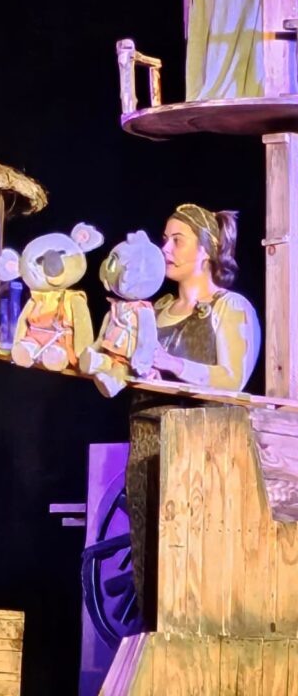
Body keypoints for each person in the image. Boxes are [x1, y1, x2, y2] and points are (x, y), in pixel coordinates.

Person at [126, 203, 260, 626]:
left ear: (207, 249)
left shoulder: (229, 307)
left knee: (197, 563)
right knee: (150, 556)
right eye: (165, 239)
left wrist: (170, 363)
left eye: (177, 240)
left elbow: (232, 378)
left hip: (203, 452)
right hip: (147, 448)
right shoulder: (154, 311)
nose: (165, 248)